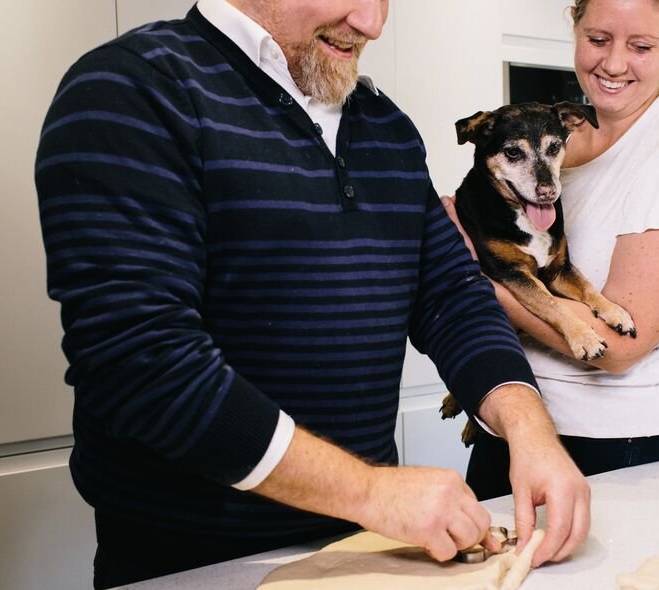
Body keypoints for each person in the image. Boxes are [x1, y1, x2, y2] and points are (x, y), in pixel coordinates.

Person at [33, 1, 589, 587]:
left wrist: (528, 429)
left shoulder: (385, 126)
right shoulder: (132, 89)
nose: (372, 23)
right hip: (195, 559)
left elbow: (449, 295)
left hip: (369, 551)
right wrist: (370, 491)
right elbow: (141, 366)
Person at [444, 0, 659, 500]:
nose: (613, 64)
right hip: (512, 425)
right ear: (574, 29)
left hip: (625, 446)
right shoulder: (551, 137)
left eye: (640, 46)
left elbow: (618, 348)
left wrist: (470, 274)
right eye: (597, 40)